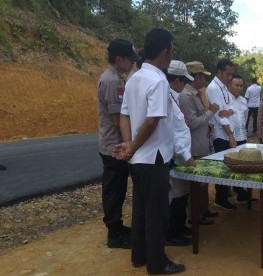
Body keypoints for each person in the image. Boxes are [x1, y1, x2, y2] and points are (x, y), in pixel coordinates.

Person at [112, 28, 185, 274]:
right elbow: (153, 121)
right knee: (157, 214)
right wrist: (131, 145)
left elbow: (125, 115)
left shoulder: (134, 78)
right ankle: (157, 263)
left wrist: (129, 145)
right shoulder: (158, 81)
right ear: (165, 52)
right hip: (154, 158)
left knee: (141, 210)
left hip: (138, 158)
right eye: (171, 50)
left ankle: (139, 256)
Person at [97, 38, 138, 249]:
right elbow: (117, 118)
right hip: (114, 146)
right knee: (114, 189)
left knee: (119, 187)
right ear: (119, 59)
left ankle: (117, 227)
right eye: (130, 59)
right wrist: (129, 142)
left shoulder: (115, 78)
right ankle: (114, 232)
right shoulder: (111, 81)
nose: (132, 63)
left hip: (115, 144)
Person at [179, 61, 219, 225]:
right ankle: (195, 215)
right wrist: (211, 112)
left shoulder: (195, 93)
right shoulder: (186, 96)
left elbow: (199, 118)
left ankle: (203, 209)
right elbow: (193, 122)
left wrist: (208, 123)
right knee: (195, 183)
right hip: (195, 145)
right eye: (202, 76)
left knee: (202, 182)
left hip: (203, 142)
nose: (204, 80)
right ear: (196, 77)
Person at [165, 60, 196, 246]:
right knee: (175, 195)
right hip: (177, 156)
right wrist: (185, 154)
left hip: (181, 156)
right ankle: (171, 232)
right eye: (184, 81)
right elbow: (171, 131)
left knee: (182, 193)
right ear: (176, 80)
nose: (185, 85)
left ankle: (180, 226)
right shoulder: (167, 98)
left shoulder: (173, 97)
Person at [206, 58, 239, 210]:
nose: (230, 77)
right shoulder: (213, 88)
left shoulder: (224, 87)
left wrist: (230, 111)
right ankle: (220, 197)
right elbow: (220, 115)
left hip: (227, 132)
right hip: (221, 134)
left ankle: (224, 194)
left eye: (231, 74)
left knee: (228, 165)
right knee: (223, 166)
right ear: (219, 72)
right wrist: (231, 135)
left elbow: (232, 106)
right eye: (228, 74)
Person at [228, 74, 258, 204]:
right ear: (229, 85)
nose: (239, 88)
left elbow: (245, 119)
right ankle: (223, 196)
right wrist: (230, 136)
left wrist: (244, 136)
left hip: (241, 137)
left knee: (242, 166)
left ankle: (241, 194)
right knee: (229, 167)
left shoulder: (243, 101)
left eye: (241, 85)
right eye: (236, 85)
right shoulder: (225, 99)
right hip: (229, 138)